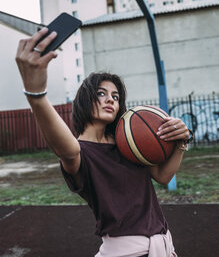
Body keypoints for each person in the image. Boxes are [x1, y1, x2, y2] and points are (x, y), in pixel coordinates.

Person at [16, 27, 192, 257]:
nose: (110, 98)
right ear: (83, 100)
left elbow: (162, 176)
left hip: (163, 245)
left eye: (116, 96)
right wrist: (36, 93)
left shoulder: (129, 143)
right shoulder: (80, 153)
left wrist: (181, 142)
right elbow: (66, 150)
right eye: (101, 93)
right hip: (125, 252)